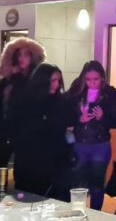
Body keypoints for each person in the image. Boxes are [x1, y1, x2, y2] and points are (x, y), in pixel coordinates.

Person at [67, 61, 116, 211]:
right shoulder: (77, 91)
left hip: (100, 143)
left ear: (102, 78)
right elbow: (66, 115)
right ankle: (77, 211)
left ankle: (95, 213)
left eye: (95, 79)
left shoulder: (110, 93)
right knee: (78, 182)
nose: (92, 83)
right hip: (80, 143)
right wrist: (79, 120)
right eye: (88, 79)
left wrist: (102, 117)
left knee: (97, 182)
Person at [11, 63, 71, 198]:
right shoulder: (27, 101)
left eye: (58, 81)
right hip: (32, 160)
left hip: (56, 160)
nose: (56, 85)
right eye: (53, 81)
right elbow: (21, 129)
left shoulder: (61, 101)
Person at [0, 37, 46, 169]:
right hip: (2, 135)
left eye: (26, 55)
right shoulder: (4, 83)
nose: (21, 58)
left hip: (25, 137)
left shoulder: (35, 84)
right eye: (19, 55)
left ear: (32, 57)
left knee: (22, 172)